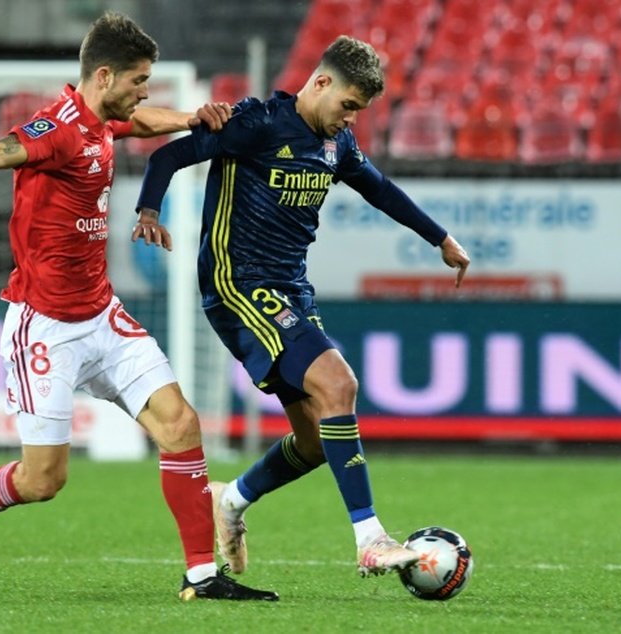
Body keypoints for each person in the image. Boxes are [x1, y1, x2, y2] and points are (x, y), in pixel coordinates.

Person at [0, 11, 277, 602]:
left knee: (180, 425)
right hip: (44, 326)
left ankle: (202, 577)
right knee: (43, 480)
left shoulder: (104, 119)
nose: (144, 91)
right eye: (138, 80)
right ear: (105, 76)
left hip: (101, 316)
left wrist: (186, 118)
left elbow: (143, 119)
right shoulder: (56, 129)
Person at [133, 35, 471, 580]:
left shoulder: (337, 146)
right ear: (320, 83)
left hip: (290, 289)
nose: (350, 118)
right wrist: (149, 209)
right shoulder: (256, 124)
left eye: (359, 110)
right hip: (237, 284)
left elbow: (380, 189)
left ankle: (232, 502)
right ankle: (370, 539)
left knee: (315, 441)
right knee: (339, 385)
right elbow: (171, 154)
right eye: (348, 105)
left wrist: (441, 238)